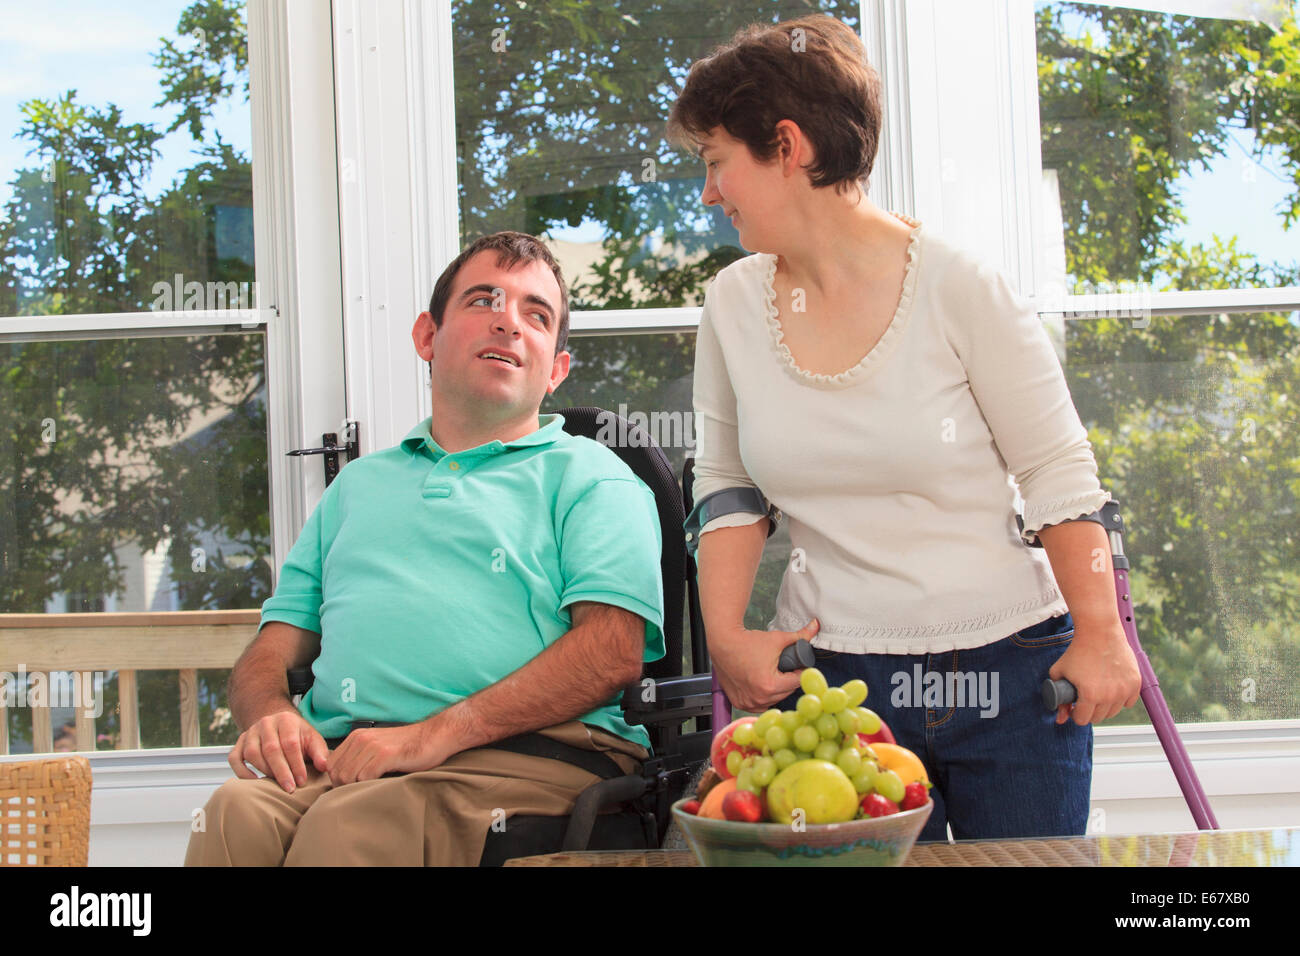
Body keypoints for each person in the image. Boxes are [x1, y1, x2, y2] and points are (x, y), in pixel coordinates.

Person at [669, 15, 1141, 841]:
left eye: (716, 163)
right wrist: (728, 636)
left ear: (787, 145)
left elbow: (1060, 473)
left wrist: (1101, 635)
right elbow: (726, 487)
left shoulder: (962, 287)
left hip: (1013, 671)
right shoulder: (733, 304)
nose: (709, 193)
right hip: (836, 682)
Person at [185, 231, 665, 866]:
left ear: (555, 370)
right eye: (483, 300)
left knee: (351, 828)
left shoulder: (594, 479)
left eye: (536, 314)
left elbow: (610, 656)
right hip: (348, 758)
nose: (508, 322)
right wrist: (270, 713)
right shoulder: (358, 487)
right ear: (426, 337)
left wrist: (431, 737)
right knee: (233, 813)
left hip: (533, 757)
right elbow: (269, 652)